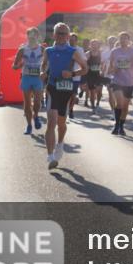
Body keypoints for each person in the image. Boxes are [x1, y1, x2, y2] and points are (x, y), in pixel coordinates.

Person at [41, 23, 88, 170]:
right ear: (53, 35)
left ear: (68, 36)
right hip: (52, 88)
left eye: (64, 34)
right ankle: (50, 156)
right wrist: (43, 73)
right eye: (59, 33)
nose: (61, 36)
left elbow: (85, 69)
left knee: (61, 123)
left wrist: (72, 74)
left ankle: (60, 144)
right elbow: (44, 65)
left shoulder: (73, 51)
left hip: (66, 90)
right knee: (51, 121)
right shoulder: (48, 51)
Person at [12, 26, 45, 134]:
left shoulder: (42, 49)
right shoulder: (22, 50)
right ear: (27, 36)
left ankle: (35, 116)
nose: (31, 38)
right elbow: (14, 66)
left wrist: (44, 71)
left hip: (38, 78)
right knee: (26, 103)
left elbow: (47, 63)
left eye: (34, 36)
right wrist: (19, 64)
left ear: (37, 36)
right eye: (29, 36)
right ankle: (29, 125)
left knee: (37, 102)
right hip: (26, 77)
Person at [108, 32, 133, 136]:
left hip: (129, 81)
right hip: (117, 81)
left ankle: (121, 126)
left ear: (128, 40)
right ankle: (116, 125)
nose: (123, 40)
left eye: (125, 38)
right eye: (121, 38)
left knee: (125, 107)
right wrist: (113, 69)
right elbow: (110, 68)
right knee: (119, 103)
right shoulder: (114, 51)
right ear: (119, 40)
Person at [84, 39, 105, 112]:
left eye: (96, 44)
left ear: (98, 45)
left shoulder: (101, 53)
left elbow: (103, 63)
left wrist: (103, 70)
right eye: (93, 44)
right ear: (90, 45)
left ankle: (98, 103)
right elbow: (84, 63)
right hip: (90, 75)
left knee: (99, 91)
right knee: (92, 92)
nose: (94, 46)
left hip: (98, 74)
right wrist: (87, 67)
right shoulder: (88, 54)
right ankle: (93, 106)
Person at [67, 33, 85, 119]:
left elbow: (84, 62)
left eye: (74, 40)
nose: (72, 41)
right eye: (70, 40)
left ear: (76, 41)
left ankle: (71, 110)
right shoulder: (65, 48)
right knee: (66, 95)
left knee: (73, 95)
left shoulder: (80, 49)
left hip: (76, 75)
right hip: (65, 75)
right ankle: (66, 109)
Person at [102, 35, 119, 118]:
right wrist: (102, 72)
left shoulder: (120, 51)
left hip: (120, 76)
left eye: (113, 41)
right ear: (108, 42)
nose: (112, 43)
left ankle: (118, 109)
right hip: (108, 76)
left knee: (118, 94)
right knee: (111, 93)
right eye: (110, 41)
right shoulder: (105, 53)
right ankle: (113, 111)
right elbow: (103, 64)